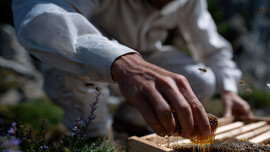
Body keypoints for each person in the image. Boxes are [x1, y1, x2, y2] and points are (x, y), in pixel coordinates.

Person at [12, 0, 252, 141]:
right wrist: (119, 60)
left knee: (201, 78)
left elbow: (211, 46)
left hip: (148, 53)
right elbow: (41, 15)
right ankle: (95, 136)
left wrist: (229, 90)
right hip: (95, 48)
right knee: (66, 56)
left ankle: (131, 121)